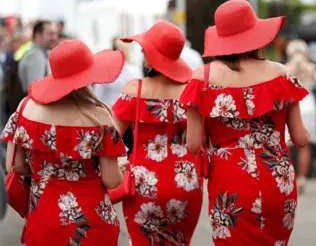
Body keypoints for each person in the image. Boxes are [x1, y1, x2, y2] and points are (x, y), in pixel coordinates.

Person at [180, 0, 309, 245]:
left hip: (230, 181)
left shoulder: (203, 78)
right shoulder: (281, 74)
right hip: (277, 179)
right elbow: (300, 138)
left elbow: (194, 144)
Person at [1, 39, 126, 245]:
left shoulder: (25, 109)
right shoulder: (100, 118)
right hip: (93, 221)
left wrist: (47, 169)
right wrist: (118, 168)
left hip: (44, 219)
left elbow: (15, 165)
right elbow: (112, 180)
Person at [114, 21, 203, 245]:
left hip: (144, 183)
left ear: (151, 55)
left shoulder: (135, 90)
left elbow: (110, 137)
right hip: (187, 181)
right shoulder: (192, 90)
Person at [284, 39, 316, 195]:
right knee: (306, 144)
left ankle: (288, 175)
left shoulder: (285, 69)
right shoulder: (311, 68)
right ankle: (302, 177)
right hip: (308, 104)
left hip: (292, 104)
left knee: (287, 144)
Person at [18, 20, 58, 93]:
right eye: (51, 34)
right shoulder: (34, 56)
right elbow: (35, 91)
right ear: (38, 35)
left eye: (55, 34)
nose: (55, 37)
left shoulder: (40, 54)